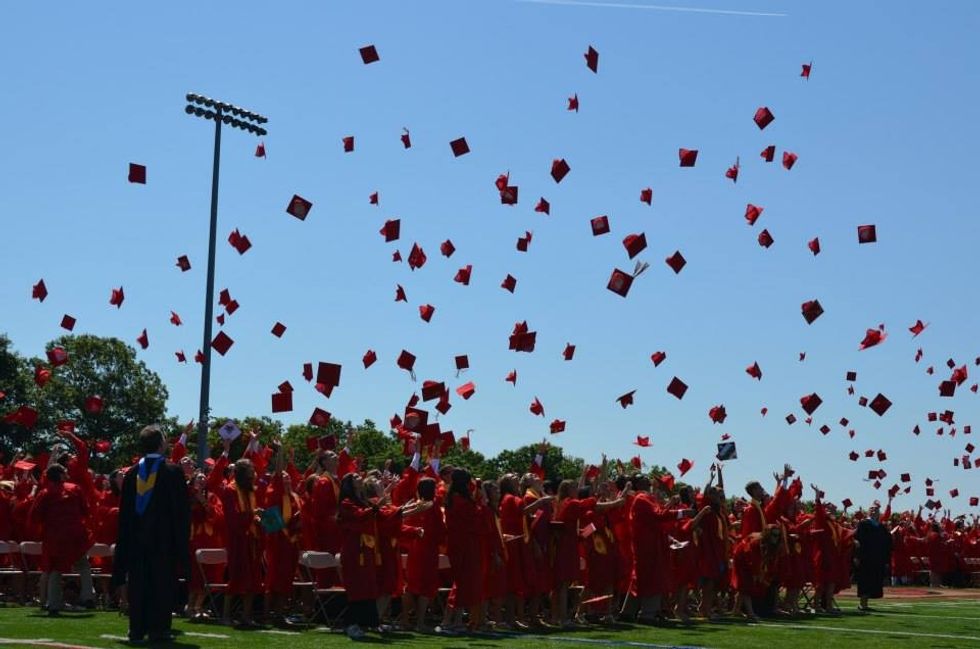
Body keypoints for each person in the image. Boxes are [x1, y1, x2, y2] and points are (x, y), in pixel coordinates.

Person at [112, 425, 190, 644]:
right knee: (162, 584)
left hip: (136, 541)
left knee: (138, 584)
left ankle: (136, 629)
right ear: (161, 444)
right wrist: (181, 542)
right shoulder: (173, 472)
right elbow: (181, 512)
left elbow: (125, 514)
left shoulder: (132, 473)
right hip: (164, 542)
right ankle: (159, 628)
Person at [29, 463, 93, 615]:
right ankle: (87, 596)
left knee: (55, 569)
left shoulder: (44, 493)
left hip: (55, 536)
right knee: (83, 565)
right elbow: (86, 510)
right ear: (60, 475)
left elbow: (35, 516)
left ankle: (54, 604)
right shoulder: (75, 489)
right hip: (75, 535)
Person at [855, 502, 893, 611]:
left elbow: (888, 544)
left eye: (876, 509)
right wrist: (857, 556)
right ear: (868, 512)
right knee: (865, 580)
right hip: (865, 558)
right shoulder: (863, 524)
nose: (873, 511)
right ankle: (862, 604)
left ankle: (866, 604)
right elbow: (858, 541)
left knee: (874, 581)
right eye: (871, 509)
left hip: (877, 558)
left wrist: (886, 560)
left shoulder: (881, 527)